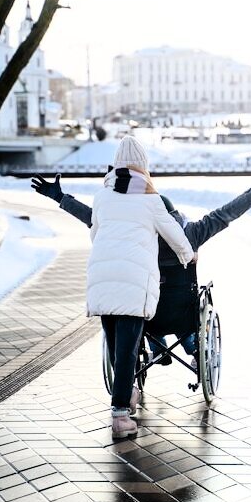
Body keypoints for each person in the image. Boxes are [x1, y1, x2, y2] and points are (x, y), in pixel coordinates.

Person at [32, 165, 251, 367]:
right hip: (179, 312)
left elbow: (91, 217)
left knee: (147, 308)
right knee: (185, 312)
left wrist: (59, 197)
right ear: (176, 216)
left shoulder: (135, 236)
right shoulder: (191, 234)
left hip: (143, 312)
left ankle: (156, 347)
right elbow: (225, 214)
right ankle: (191, 347)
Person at [83, 136, 194, 438]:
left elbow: (95, 234)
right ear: (143, 166)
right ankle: (120, 417)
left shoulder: (101, 197)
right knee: (128, 351)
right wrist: (188, 256)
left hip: (102, 279)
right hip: (133, 283)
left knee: (117, 347)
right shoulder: (150, 199)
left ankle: (128, 392)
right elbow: (177, 238)